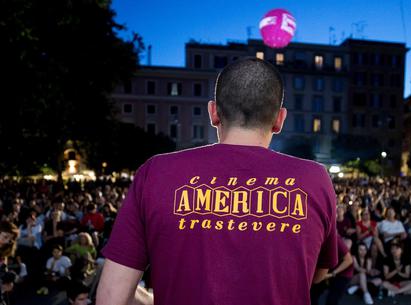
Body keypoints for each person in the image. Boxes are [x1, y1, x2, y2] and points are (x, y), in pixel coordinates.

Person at [97, 58, 338, 305]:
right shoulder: (314, 179)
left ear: (214, 112)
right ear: (279, 119)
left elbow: (110, 297)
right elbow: (316, 272)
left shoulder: (155, 172)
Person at [310, 236, 354, 305]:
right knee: (313, 295)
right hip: (327, 270)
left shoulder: (335, 240)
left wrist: (332, 274)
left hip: (343, 273)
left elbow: (349, 260)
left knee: (332, 300)